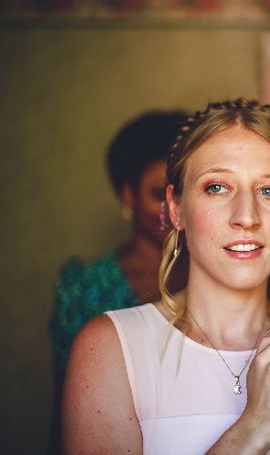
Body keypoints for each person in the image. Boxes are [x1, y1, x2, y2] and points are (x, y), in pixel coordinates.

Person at [62, 99, 270, 454]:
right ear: (176, 208)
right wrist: (255, 427)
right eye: (217, 187)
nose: (246, 216)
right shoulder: (109, 347)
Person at [49, 110, 188, 453]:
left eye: (182, 193)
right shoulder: (85, 288)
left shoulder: (216, 277)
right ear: (128, 195)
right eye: (159, 194)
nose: (173, 211)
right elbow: (67, 408)